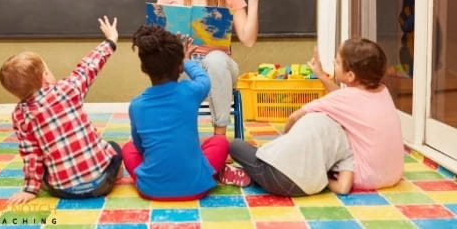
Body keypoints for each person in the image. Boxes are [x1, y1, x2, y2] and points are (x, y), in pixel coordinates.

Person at [0, 16, 122, 204]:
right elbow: (90, 65)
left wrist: (31, 189)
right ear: (45, 78)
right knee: (114, 147)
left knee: (44, 162)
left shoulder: (20, 114)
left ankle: (53, 180)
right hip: (101, 184)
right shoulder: (68, 89)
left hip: (64, 191)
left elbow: (30, 153)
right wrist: (111, 39)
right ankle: (114, 173)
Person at [157, 0, 267, 136]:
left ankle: (220, 137)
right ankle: (177, 138)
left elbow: (248, 39)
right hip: (184, 66)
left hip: (221, 67)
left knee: (215, 59)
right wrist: (175, 50)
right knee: (169, 68)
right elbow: (157, 37)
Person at [121, 25, 229, 201]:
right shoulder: (191, 91)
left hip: (151, 190)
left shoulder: (136, 105)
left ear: (144, 68)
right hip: (197, 187)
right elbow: (204, 79)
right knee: (220, 142)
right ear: (180, 67)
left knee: (128, 148)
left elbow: (140, 147)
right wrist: (188, 61)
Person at [286, 38, 404, 190]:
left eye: (337, 62)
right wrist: (321, 75)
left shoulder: (345, 98)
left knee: (323, 131)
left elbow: (294, 116)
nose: (334, 63)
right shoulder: (382, 90)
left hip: (364, 178)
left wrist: (285, 139)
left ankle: (330, 182)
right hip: (393, 174)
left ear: (350, 76)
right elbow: (346, 99)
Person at [226, 112, 354, 196]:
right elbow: (343, 188)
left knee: (235, 144)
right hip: (306, 189)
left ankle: (246, 175)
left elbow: (292, 121)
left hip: (276, 175)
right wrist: (324, 179)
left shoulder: (316, 116)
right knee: (258, 160)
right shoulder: (349, 147)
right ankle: (251, 177)